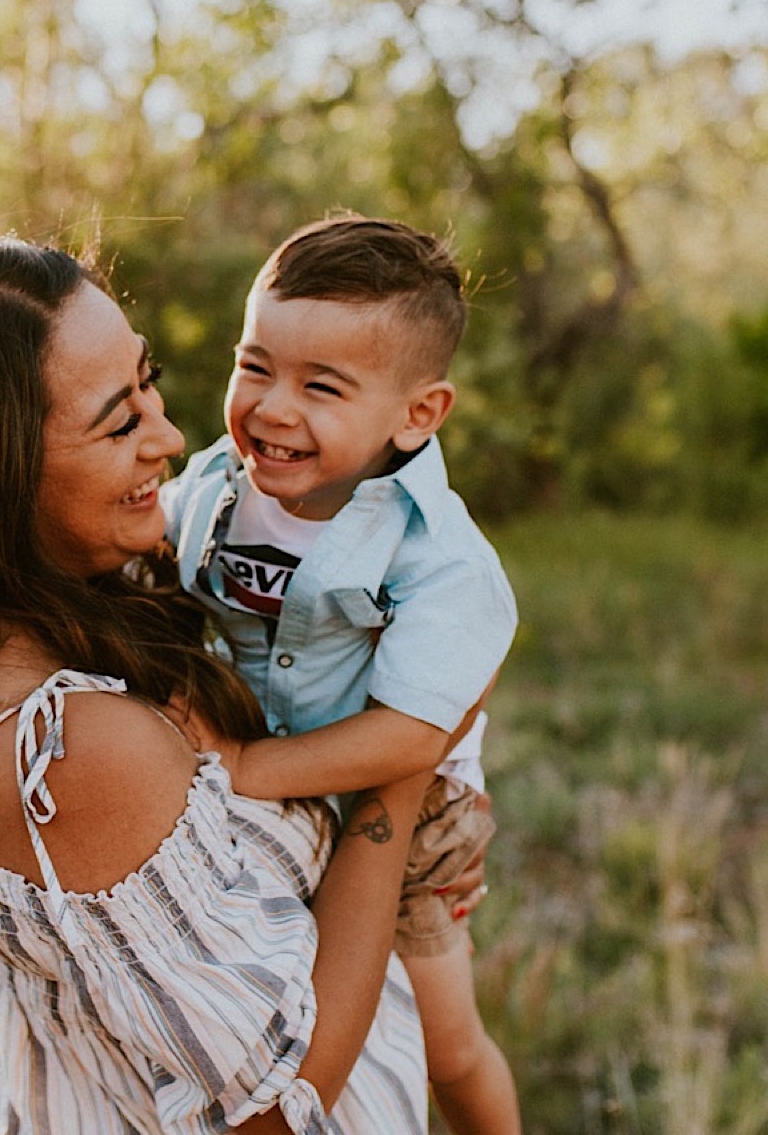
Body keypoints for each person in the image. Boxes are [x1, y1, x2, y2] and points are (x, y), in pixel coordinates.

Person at [0, 236, 465, 1132]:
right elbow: (277, 1113)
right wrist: (401, 775)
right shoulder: (69, 754)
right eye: (119, 422)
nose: (172, 437)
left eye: (152, 381)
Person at [164, 214, 522, 1135]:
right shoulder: (217, 485)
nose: (274, 409)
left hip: (401, 804)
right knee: (277, 1022)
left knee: (444, 1044)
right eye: (255, 367)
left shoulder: (439, 560)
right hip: (264, 789)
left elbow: (410, 735)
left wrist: (243, 769)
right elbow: (145, 546)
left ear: (419, 414)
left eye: (321, 387)